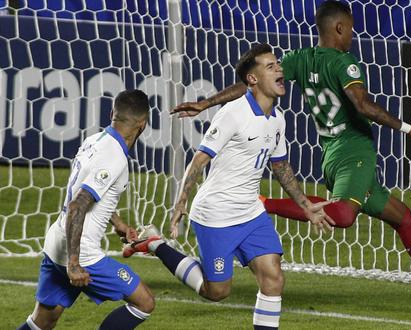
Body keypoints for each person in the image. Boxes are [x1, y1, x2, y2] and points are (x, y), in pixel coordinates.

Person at [170, 0, 411, 311]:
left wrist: (206, 103)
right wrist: (410, 129)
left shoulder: (300, 59)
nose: (353, 36)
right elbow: (362, 106)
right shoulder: (346, 64)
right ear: (340, 28)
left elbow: (252, 85)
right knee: (343, 214)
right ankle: (264, 203)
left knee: (403, 218)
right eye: (352, 29)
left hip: (330, 154)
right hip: (354, 150)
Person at [123, 44, 334, 330]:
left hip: (250, 213)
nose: (279, 69)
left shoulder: (278, 120)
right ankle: (156, 244)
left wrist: (306, 206)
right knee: (217, 292)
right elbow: (199, 160)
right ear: (253, 79)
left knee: (273, 278)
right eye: (270, 66)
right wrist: (181, 202)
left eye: (278, 65)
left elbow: (281, 167)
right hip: (216, 215)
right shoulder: (233, 114)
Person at [17, 90, 155, 330]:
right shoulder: (114, 157)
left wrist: (117, 222)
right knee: (144, 302)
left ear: (112, 113)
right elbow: (77, 205)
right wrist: (73, 263)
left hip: (56, 240)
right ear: (143, 125)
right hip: (81, 253)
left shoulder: (94, 140)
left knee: (43, 322)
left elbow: (84, 193)